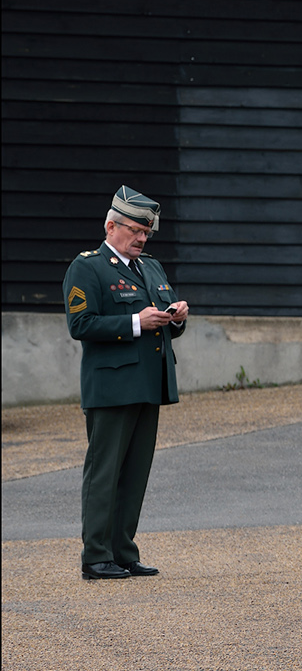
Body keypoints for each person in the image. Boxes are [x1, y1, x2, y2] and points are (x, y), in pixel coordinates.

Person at [63, 186, 188, 580]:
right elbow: (80, 324)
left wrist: (176, 317)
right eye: (135, 230)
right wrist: (137, 322)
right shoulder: (88, 267)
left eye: (146, 233)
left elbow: (164, 327)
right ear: (110, 225)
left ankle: (123, 551)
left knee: (135, 473)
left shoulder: (150, 267)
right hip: (112, 387)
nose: (141, 238)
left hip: (149, 383)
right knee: (105, 472)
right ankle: (95, 556)